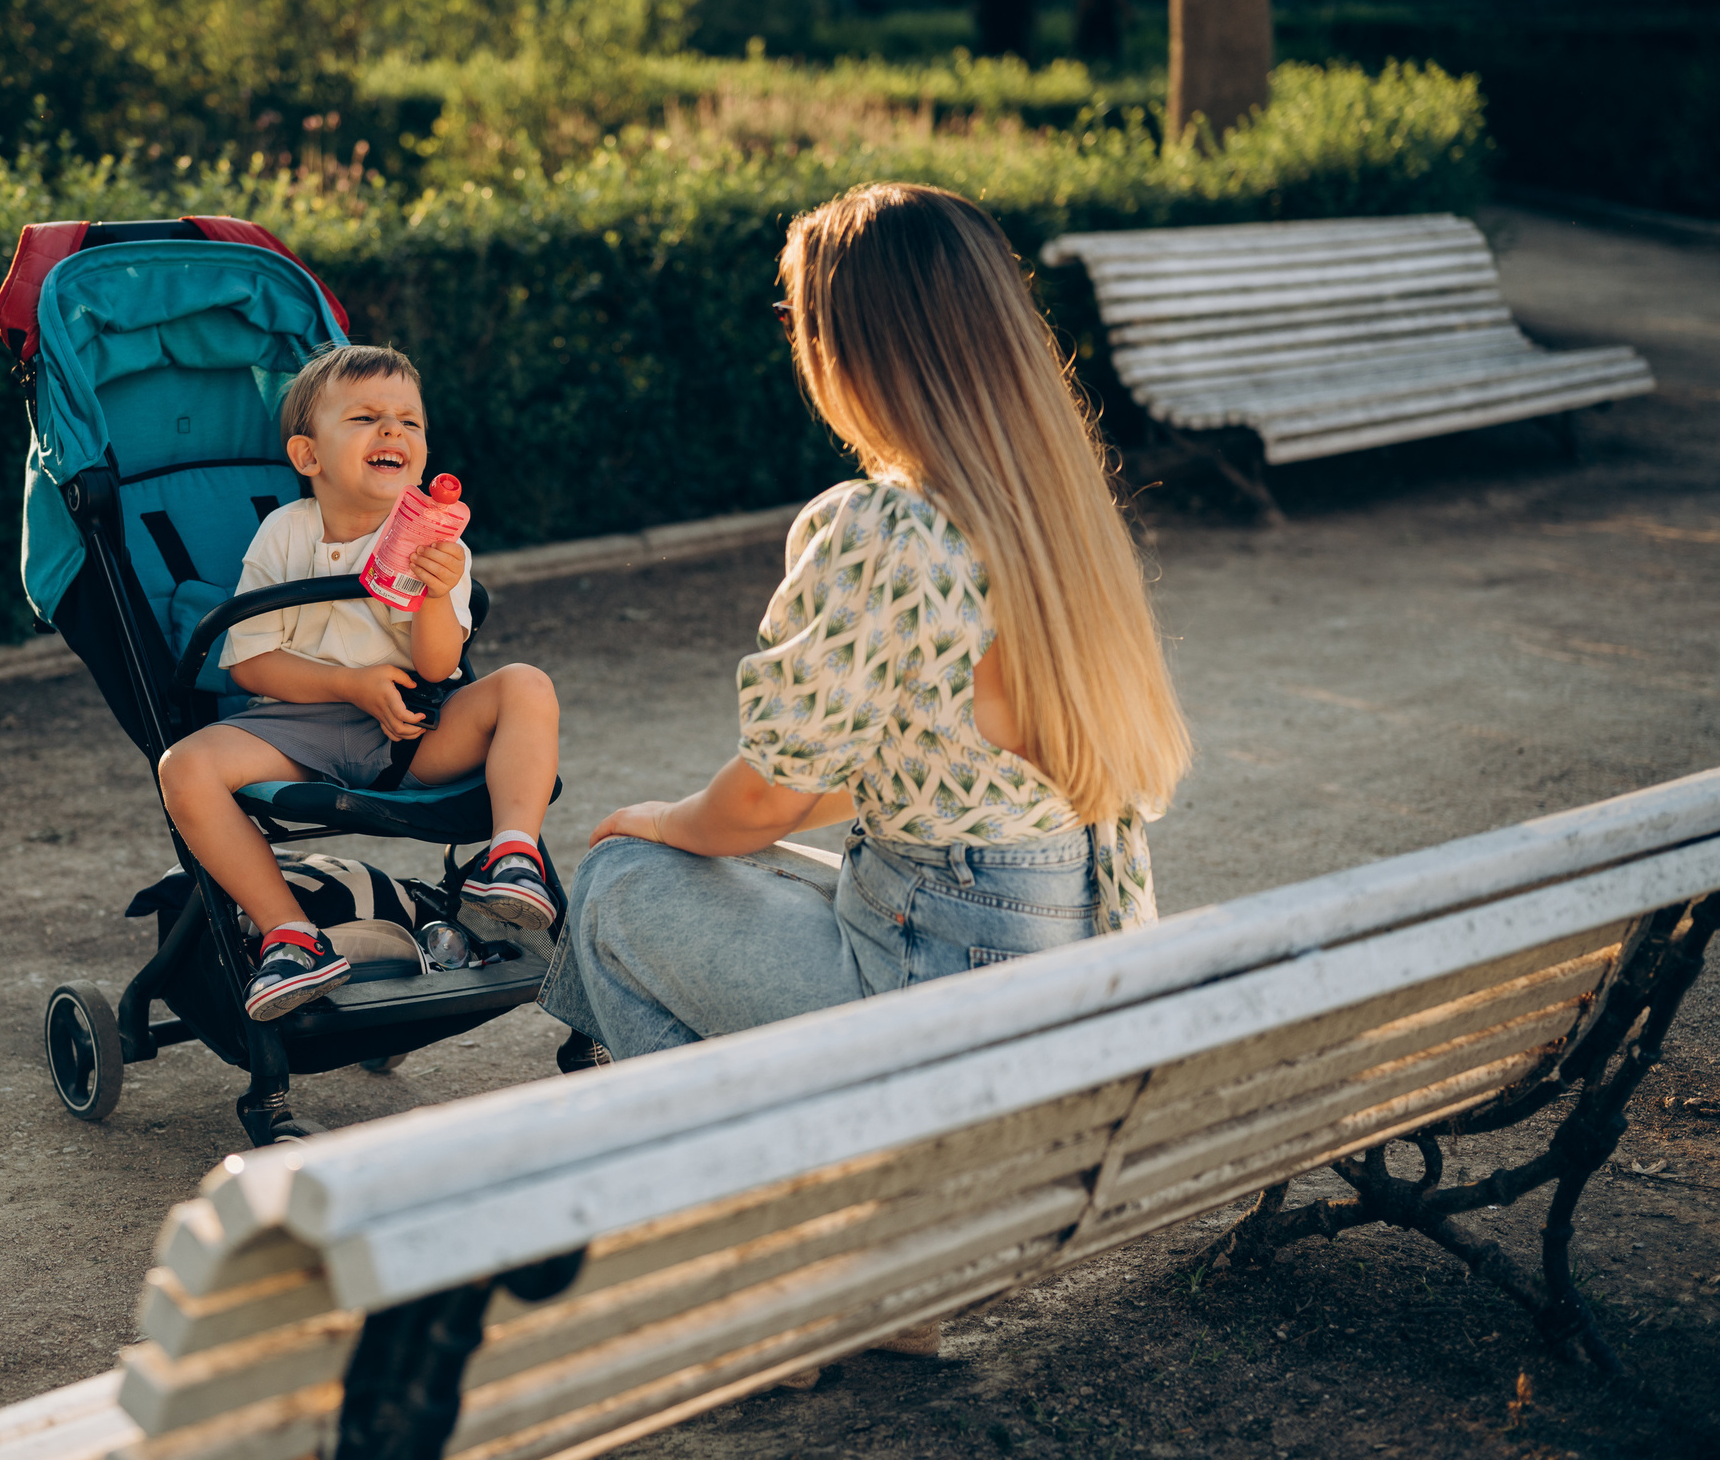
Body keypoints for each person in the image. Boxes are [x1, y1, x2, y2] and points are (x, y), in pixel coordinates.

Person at [541, 181, 1190, 1071]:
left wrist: (657, 819)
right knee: (751, 871)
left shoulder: (886, 525)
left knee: (619, 885)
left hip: (936, 971)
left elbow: (765, 802)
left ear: (852, 345)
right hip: (1060, 939)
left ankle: (723, 1167)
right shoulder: (1058, 519)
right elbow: (938, 768)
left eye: (799, 320)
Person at [158, 344, 562, 1021]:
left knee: (526, 684)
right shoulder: (286, 534)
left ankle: (512, 856)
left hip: (413, 728)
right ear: (308, 457)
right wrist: (351, 684)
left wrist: (435, 592)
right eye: (367, 417)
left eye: (409, 421)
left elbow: (438, 668)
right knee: (184, 767)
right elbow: (250, 664)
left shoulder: (440, 543)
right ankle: (292, 936)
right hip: (297, 725)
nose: (393, 431)